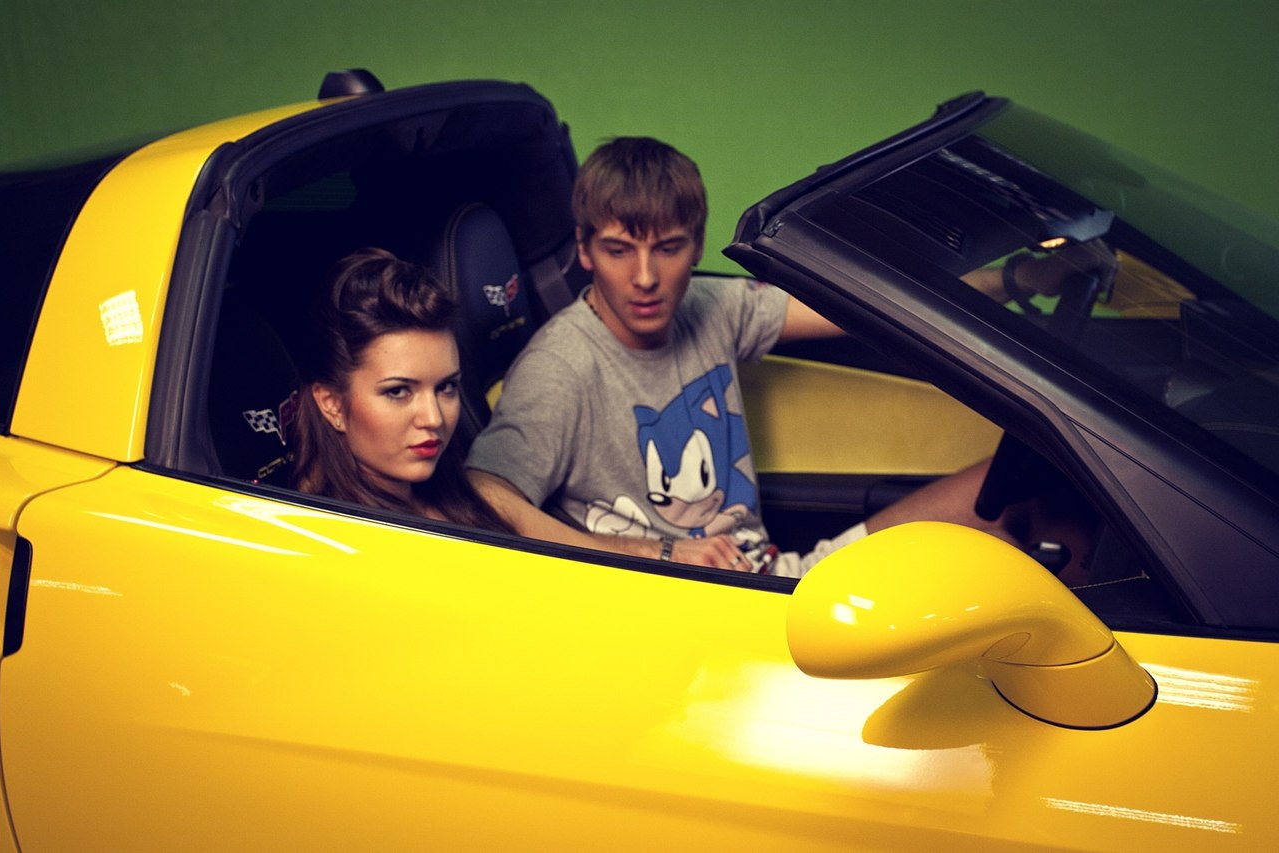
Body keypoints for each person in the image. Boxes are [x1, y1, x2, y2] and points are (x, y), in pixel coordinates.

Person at [466, 137, 1101, 575]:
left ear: (697, 246)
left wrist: (1021, 278)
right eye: (617, 251)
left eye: (667, 248)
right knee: (993, 552)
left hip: (778, 577)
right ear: (583, 250)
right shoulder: (561, 365)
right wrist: (661, 554)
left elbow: (870, 308)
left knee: (1038, 482)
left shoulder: (708, 307)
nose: (645, 278)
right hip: (695, 605)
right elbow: (483, 497)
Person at [291, 247, 623, 550]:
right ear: (332, 404)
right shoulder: (336, 542)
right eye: (398, 391)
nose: (434, 418)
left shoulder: (461, 496)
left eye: (445, 388)